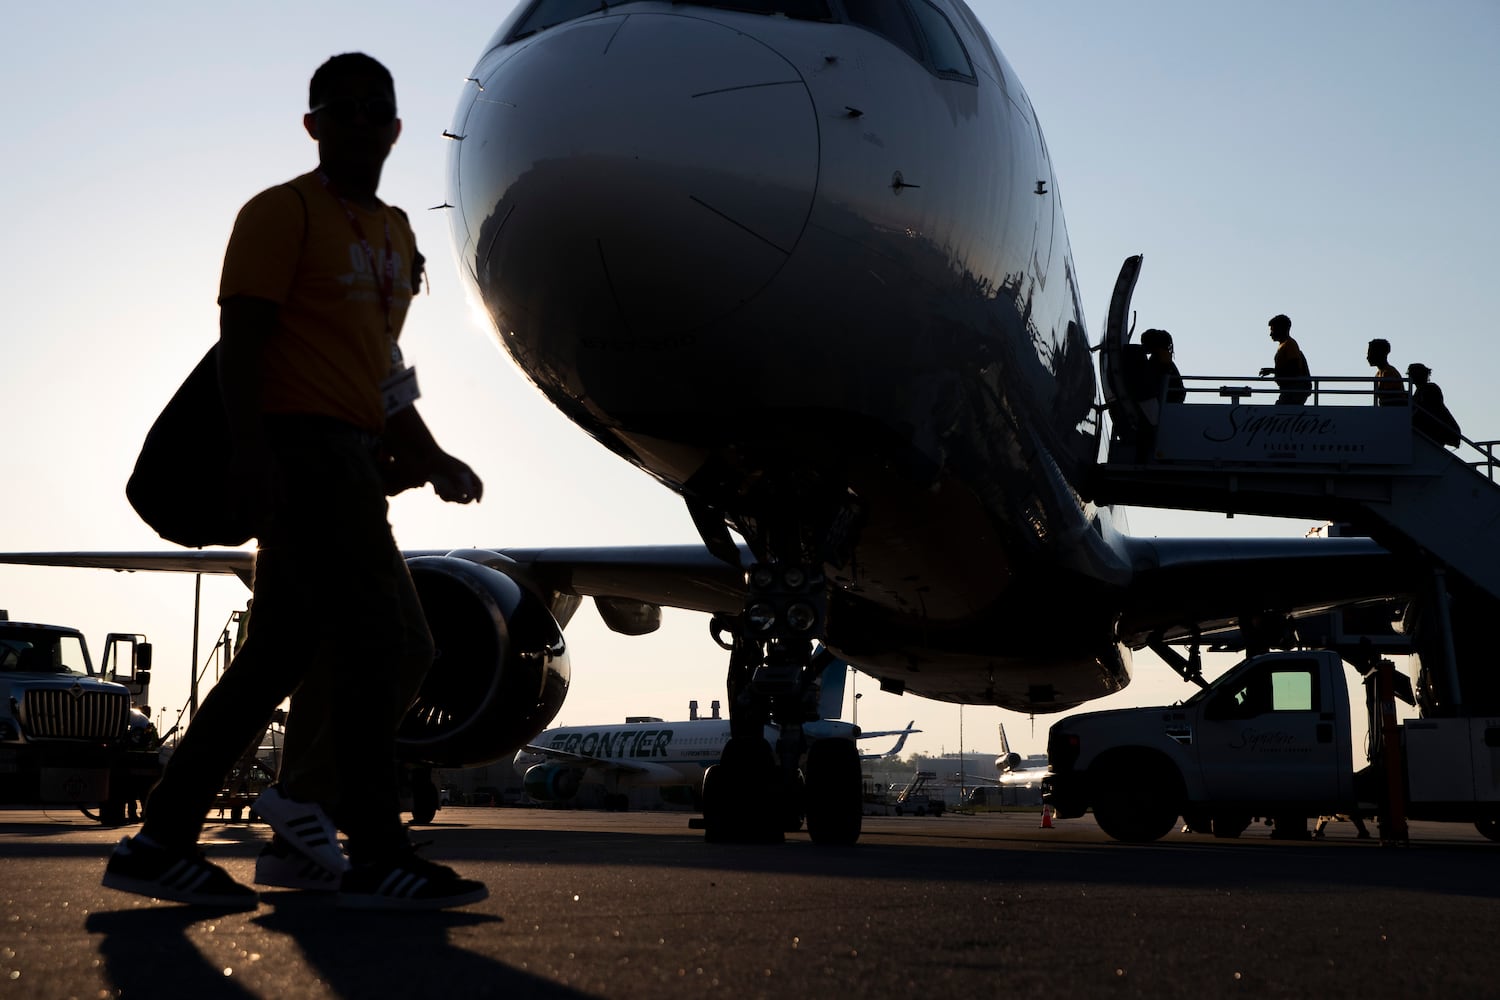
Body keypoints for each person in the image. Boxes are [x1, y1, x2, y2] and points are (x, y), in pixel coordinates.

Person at [102, 53, 487, 911]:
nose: (356, 123)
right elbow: (243, 337)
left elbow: (384, 362)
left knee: (281, 651)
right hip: (301, 453)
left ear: (394, 128)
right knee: (385, 643)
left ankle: (162, 839)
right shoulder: (282, 213)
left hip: (353, 456)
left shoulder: (394, 233)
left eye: (371, 111)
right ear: (313, 125)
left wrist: (427, 453)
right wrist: (250, 455)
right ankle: (373, 846)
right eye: (337, 110)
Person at [1258, 314, 1311, 405]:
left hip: (1293, 390)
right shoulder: (1285, 345)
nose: (1271, 334)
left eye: (1273, 330)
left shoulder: (1289, 344)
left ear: (1281, 329)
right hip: (1289, 389)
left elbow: (1293, 369)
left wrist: (1273, 371)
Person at [1407, 363, 1461, 446]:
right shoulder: (1419, 392)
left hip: (1435, 430)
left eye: (1413, 373)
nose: (1410, 376)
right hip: (1432, 430)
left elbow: (1429, 410)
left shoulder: (1430, 389)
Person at [1139, 329, 1186, 403]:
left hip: (1170, 397)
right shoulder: (1163, 357)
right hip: (1175, 395)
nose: (1142, 346)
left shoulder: (1160, 359)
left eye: (1145, 343)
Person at [1366, 338, 1407, 407]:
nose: (1368, 357)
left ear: (1379, 353)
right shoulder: (1378, 374)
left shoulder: (1390, 373)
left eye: (1370, 353)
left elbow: (1392, 401)